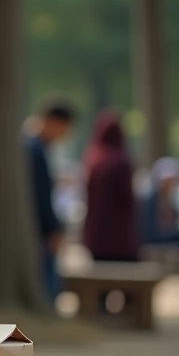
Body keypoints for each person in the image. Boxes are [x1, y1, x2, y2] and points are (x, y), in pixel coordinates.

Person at [23, 97, 78, 302]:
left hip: (37, 228)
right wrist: (52, 229)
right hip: (39, 230)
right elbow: (39, 195)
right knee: (48, 281)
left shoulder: (32, 146)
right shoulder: (35, 150)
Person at [82, 109, 139, 263]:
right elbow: (127, 200)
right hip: (120, 239)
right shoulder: (121, 161)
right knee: (129, 283)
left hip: (96, 238)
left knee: (99, 285)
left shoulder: (92, 161)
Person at [140, 157, 179, 254]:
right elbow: (152, 227)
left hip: (164, 235)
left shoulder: (170, 197)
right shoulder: (152, 199)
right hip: (153, 237)